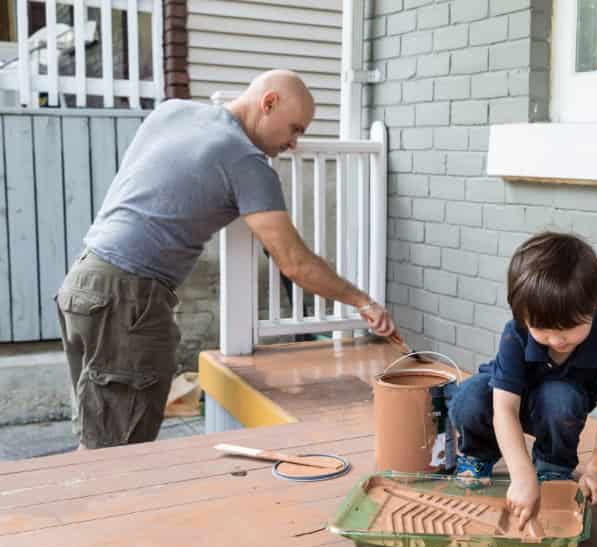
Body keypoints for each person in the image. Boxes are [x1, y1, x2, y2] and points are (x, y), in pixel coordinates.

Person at [55, 69, 395, 450]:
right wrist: (362, 301)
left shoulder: (173, 111)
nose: (295, 144)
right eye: (295, 129)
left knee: (95, 435)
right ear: (268, 103)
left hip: (84, 283)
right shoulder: (246, 162)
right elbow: (295, 263)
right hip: (128, 298)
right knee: (120, 451)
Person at [446, 231, 597, 529]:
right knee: (468, 397)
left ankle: (552, 467)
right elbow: (504, 409)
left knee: (560, 397)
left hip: (558, 409)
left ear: (594, 306)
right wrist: (520, 475)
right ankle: (478, 455)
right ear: (522, 316)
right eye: (542, 329)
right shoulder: (515, 332)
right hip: (507, 401)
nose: (557, 339)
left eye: (570, 327)